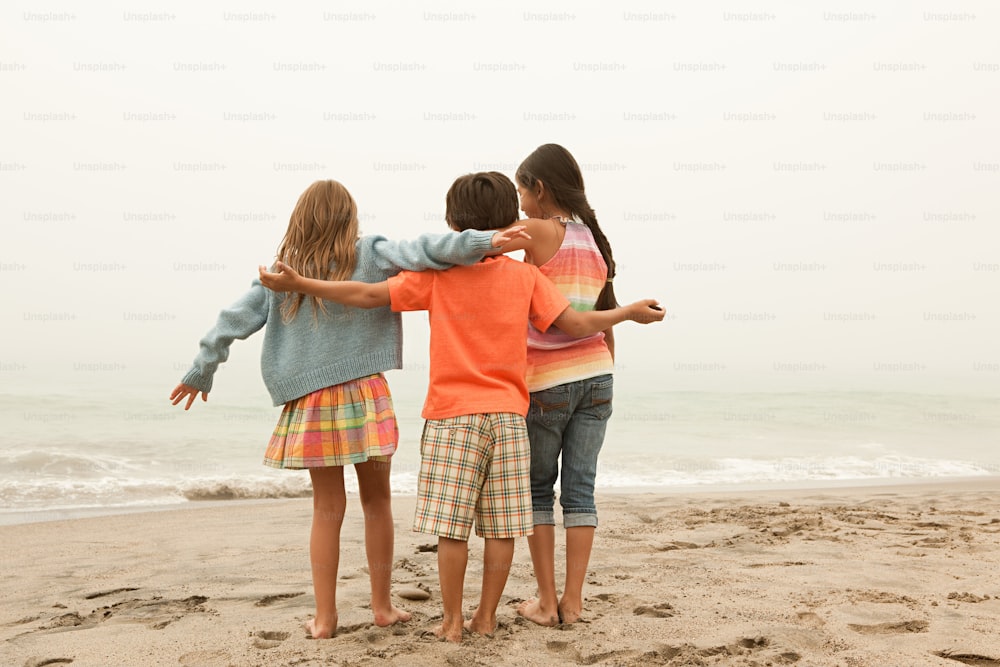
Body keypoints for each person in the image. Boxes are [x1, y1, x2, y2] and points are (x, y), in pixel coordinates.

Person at [258, 171, 664, 642]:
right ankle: (485, 617)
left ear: (454, 223)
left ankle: (452, 622)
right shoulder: (527, 277)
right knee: (501, 527)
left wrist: (304, 284)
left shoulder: (437, 278)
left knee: (452, 530)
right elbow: (574, 324)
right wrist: (627, 313)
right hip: (510, 419)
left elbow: (367, 295)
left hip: (453, 418)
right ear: (508, 222)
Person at [168, 179, 527, 639]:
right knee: (376, 502)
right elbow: (429, 248)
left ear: (299, 220)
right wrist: (487, 241)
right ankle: (381, 607)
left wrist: (202, 367)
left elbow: (231, 320)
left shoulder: (284, 272)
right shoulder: (373, 253)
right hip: (364, 396)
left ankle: (325, 618)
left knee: (327, 508)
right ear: (351, 219)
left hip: (312, 401)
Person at [503, 143, 633, 626]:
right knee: (581, 492)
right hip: (598, 376)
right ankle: (574, 603)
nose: (519, 203)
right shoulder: (595, 238)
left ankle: (546, 601)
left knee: (538, 491)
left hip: (547, 382)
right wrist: (607, 372)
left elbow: (480, 242)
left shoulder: (536, 230)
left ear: (539, 187)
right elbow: (605, 315)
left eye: (520, 190)